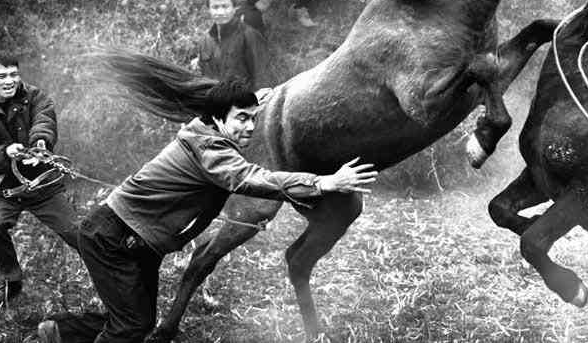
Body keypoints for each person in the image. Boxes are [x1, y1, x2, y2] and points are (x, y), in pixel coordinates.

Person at [35, 71, 377, 342]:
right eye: (241, 118)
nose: (250, 127)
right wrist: (323, 183)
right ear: (218, 118)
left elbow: (241, 112)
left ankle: (60, 332)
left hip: (139, 242)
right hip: (114, 238)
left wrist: (258, 100)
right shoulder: (210, 150)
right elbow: (250, 179)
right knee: (131, 326)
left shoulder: (209, 129)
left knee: (138, 319)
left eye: (253, 118)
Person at [0, 53, 80, 306]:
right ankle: (11, 281)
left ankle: (110, 269)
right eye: (2, 76)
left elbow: (44, 120)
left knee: (77, 233)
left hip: (42, 184)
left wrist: (40, 144)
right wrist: (5, 153)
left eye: (14, 74)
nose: (9, 81)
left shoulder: (35, 96)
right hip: (4, 189)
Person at [196, 0, 273, 90]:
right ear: (208, 10)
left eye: (225, 6)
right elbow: (204, 79)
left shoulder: (249, 35)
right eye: (215, 7)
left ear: (235, 9)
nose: (220, 12)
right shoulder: (204, 42)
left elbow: (262, 78)